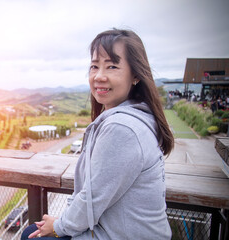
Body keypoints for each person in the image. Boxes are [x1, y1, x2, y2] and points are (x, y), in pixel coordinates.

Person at [21, 28, 174, 240]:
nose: (99, 76)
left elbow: (92, 198)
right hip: (113, 229)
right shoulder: (133, 116)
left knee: (32, 235)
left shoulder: (123, 128)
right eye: (94, 66)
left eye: (112, 66)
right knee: (33, 232)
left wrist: (59, 226)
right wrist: (62, 223)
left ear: (136, 75)